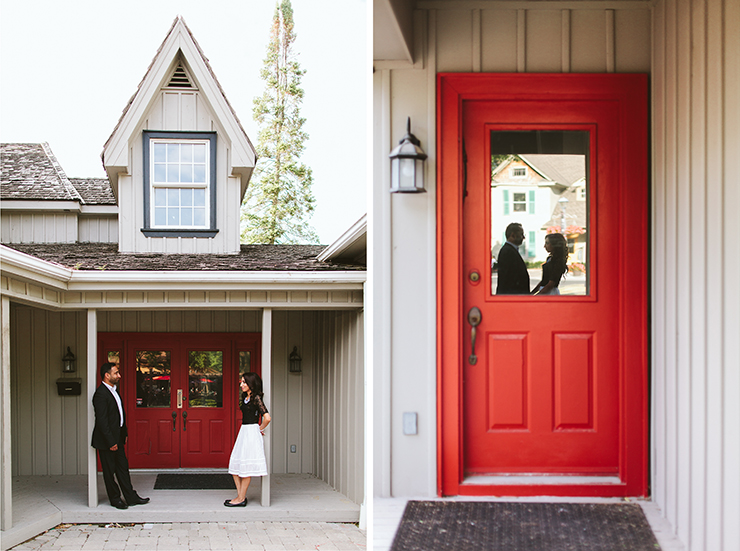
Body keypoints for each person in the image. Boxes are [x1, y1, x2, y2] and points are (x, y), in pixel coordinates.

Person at [91, 362, 150, 510]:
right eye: (116, 373)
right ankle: (115, 499)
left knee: (123, 468)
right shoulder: (100, 394)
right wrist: (111, 441)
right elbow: (102, 421)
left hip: (117, 438)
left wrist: (123, 434)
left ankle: (131, 497)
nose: (119, 375)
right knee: (109, 471)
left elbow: (119, 415)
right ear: (107, 375)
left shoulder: (114, 391)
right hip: (106, 441)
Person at [225, 372, 271, 507]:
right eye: (241, 382)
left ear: (251, 384)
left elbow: (267, 417)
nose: (241, 384)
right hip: (244, 432)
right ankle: (241, 496)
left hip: (251, 433)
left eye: (244, 382)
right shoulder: (245, 397)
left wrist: (259, 428)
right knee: (234, 466)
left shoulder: (256, 398)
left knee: (246, 468)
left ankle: (240, 498)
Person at [496, 222, 530, 294]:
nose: (523, 237)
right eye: (521, 234)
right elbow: (508, 279)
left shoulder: (510, 250)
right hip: (513, 297)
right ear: (513, 235)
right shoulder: (508, 252)